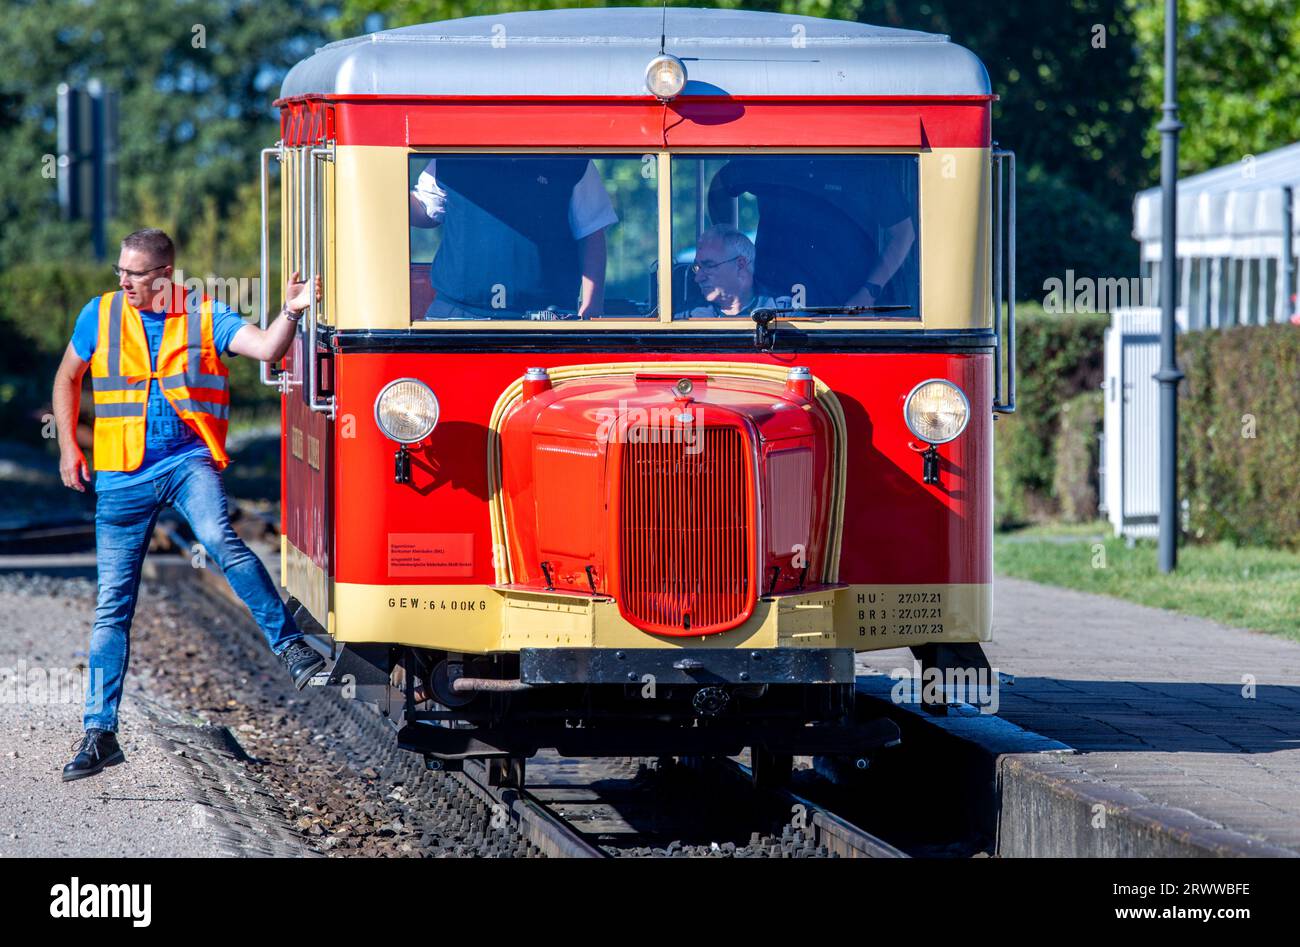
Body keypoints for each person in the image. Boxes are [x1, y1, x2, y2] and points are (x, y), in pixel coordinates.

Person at [52, 228, 325, 782]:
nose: (124, 282)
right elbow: (67, 378)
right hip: (120, 475)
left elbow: (267, 349)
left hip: (186, 461)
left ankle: (292, 648)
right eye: (121, 272)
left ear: (165, 276)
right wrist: (66, 448)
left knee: (221, 539)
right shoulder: (98, 315)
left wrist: (291, 313)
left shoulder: (206, 314)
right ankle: (100, 733)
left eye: (135, 274)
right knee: (112, 608)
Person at [409, 156, 616, 319]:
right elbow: (425, 209)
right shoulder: (449, 154)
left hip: (547, 319)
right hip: (455, 314)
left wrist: (591, 309)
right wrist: (383, 187)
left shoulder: (572, 161)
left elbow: (591, 233)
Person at [705, 156, 917, 309]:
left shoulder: (864, 162)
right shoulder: (771, 157)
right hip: (770, 303)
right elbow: (721, 186)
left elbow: (903, 233)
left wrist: (868, 292)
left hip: (847, 306)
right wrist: (731, 243)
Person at [677, 225, 790, 318]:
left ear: (740, 265)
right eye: (697, 267)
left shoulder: (786, 315)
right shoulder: (684, 317)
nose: (698, 278)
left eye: (709, 266)